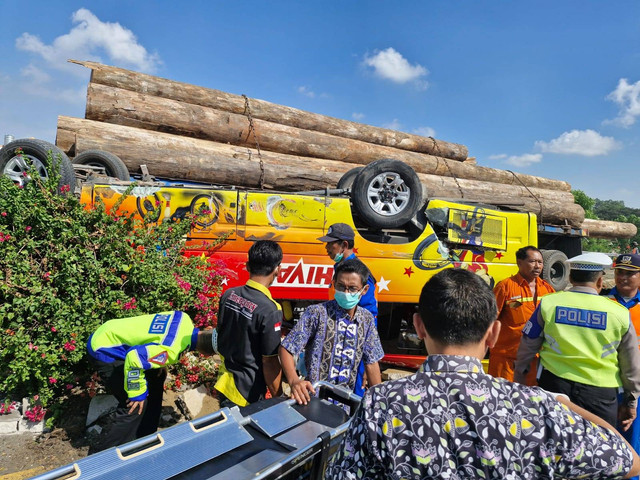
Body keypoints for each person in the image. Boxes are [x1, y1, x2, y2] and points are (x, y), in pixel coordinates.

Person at [325, 268, 640, 479]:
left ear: (419, 326)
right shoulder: (535, 408)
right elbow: (627, 460)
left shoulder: (380, 403)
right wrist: (560, 402)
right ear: (493, 334)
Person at [515, 252, 640, 428]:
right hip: (600, 396)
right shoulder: (619, 313)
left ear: (571, 277)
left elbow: (526, 347)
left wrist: (519, 380)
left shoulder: (549, 303)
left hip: (554, 388)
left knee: (554, 444)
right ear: (599, 281)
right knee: (599, 449)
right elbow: (631, 365)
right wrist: (631, 401)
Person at [87, 310, 215, 452]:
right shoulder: (172, 351)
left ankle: (144, 439)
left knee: (157, 376)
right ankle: (103, 457)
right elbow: (134, 358)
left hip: (110, 332)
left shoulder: (182, 317)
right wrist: (137, 393)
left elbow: (156, 339)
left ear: (208, 329)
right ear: (207, 355)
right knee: (133, 405)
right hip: (104, 349)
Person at [279, 258, 383, 405]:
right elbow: (287, 348)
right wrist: (294, 381)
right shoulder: (316, 313)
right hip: (312, 400)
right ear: (333, 283)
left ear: (364, 290)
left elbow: (372, 363)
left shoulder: (366, 320)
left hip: (346, 406)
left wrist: (379, 402)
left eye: (352, 288)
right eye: (340, 286)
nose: (345, 292)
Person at [214, 240, 284, 408]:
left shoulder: (229, 294)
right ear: (278, 269)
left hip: (224, 381)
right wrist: (279, 397)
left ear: (247, 266)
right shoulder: (270, 310)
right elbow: (270, 362)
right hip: (246, 392)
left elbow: (220, 334)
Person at [318, 222, 377, 397]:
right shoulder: (340, 268)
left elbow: (370, 318)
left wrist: (368, 361)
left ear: (344, 245)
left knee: (352, 394)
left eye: (331, 243)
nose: (327, 247)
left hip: (354, 345)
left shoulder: (359, 274)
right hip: (339, 342)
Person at [488, 246, 554, 384]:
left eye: (540, 262)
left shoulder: (547, 289)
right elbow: (489, 320)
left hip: (535, 361)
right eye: (532, 261)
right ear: (519, 262)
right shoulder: (505, 287)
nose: (537, 266)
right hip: (506, 361)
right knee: (503, 400)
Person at [609, 253, 640, 475]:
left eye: (630, 273)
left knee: (634, 439)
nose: (623, 277)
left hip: (637, 384)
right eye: (620, 272)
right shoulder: (602, 302)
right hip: (607, 381)